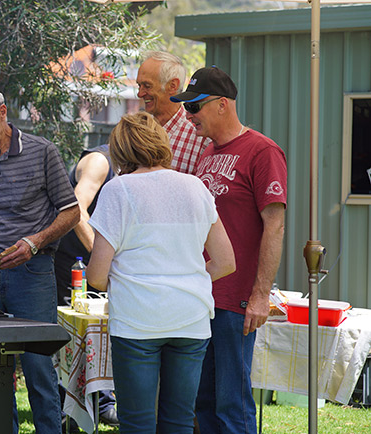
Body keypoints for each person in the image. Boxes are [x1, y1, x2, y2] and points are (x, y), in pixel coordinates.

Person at [85, 111, 236, 434]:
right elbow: (225, 262)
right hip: (191, 318)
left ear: (120, 150)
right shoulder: (196, 187)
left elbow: (97, 276)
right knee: (179, 421)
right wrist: (186, 279)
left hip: (137, 320)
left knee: (137, 423)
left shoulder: (118, 190)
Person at [0, 87, 80, 434]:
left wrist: (35, 242)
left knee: (37, 365)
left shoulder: (42, 152)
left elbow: (72, 213)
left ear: (3, 112)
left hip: (33, 272)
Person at [170, 66, 287, 434]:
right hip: (202, 296)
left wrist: (260, 294)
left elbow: (275, 225)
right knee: (203, 401)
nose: (189, 116)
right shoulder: (206, 153)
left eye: (195, 107)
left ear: (222, 104)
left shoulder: (262, 150)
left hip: (236, 300)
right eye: (186, 108)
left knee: (231, 403)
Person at [52, 144, 118, 429]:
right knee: (71, 338)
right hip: (74, 265)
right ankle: (66, 411)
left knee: (102, 335)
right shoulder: (99, 161)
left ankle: (101, 403)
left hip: (100, 265)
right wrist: (98, 256)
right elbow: (76, 207)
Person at [136, 50, 211, 175]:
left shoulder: (200, 138)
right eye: (139, 86)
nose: (140, 94)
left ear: (173, 86)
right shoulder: (137, 131)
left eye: (147, 86)